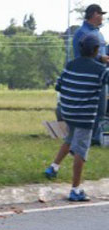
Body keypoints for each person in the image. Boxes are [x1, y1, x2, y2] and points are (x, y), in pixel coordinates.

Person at [45, 34, 108, 201]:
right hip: (84, 116)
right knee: (80, 150)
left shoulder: (70, 64)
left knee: (69, 139)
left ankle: (53, 167)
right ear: (96, 50)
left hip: (67, 112)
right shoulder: (100, 70)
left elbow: (59, 85)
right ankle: (75, 190)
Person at [72, 4, 109, 144]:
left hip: (101, 75)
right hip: (88, 77)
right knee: (89, 109)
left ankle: (94, 137)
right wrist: (100, 58)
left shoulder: (98, 33)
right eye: (101, 14)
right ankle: (88, 138)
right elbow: (80, 55)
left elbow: (103, 50)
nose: (102, 17)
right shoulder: (82, 33)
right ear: (94, 14)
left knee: (100, 109)